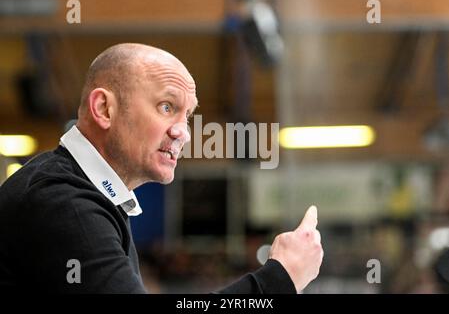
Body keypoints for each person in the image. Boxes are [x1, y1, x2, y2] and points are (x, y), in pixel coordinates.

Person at [0, 43, 323, 293]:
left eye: (187, 116)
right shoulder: (62, 201)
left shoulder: (76, 192)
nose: (183, 131)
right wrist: (281, 277)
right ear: (103, 108)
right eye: (167, 107)